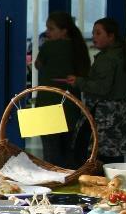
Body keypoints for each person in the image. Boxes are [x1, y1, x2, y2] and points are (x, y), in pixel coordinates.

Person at [67, 17, 126, 164]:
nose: (94, 37)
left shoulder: (109, 59)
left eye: (98, 33)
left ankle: (97, 184)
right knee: (114, 157)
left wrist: (79, 82)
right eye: (93, 33)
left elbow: (102, 88)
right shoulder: (120, 54)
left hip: (104, 114)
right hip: (116, 112)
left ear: (111, 36)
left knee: (99, 156)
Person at [33, 11, 91, 168]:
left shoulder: (48, 47)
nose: (47, 32)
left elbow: (37, 64)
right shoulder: (78, 47)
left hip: (47, 106)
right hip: (71, 106)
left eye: (51, 29)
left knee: (51, 154)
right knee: (67, 152)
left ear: (64, 30)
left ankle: (53, 187)